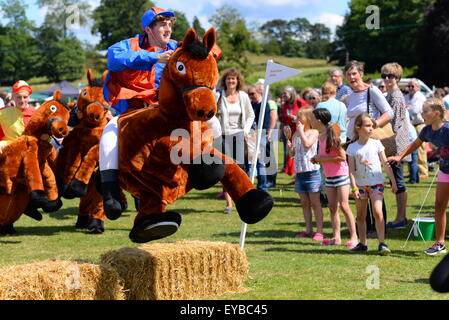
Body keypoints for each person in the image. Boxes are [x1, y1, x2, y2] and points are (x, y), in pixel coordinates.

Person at [388, 98, 449, 256]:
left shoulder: (447, 129)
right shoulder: (427, 130)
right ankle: (440, 243)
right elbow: (415, 144)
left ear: (436, 113)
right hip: (444, 172)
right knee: (439, 207)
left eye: (425, 111)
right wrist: (400, 157)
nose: (422, 114)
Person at [347, 113, 397, 255]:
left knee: (377, 211)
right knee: (361, 215)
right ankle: (362, 243)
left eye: (372, 126)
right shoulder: (352, 148)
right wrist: (354, 187)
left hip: (376, 184)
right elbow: (351, 170)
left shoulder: (376, 144)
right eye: (368, 126)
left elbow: (386, 164)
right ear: (358, 127)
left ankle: (382, 243)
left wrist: (393, 182)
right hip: (361, 186)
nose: (371, 129)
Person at [311, 108, 358, 248]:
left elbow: (342, 157)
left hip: (341, 175)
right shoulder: (321, 136)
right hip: (329, 176)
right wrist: (318, 159)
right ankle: (336, 237)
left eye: (312, 118)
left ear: (318, 121)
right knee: (332, 207)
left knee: (344, 206)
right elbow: (327, 157)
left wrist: (322, 158)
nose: (310, 121)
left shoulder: (332, 136)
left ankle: (354, 236)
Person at [215, 68, 255, 214]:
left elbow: (251, 115)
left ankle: (243, 199)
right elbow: (211, 115)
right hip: (223, 136)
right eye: (228, 79)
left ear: (238, 81)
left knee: (240, 168)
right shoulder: (218, 96)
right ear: (224, 81)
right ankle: (229, 204)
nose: (231, 81)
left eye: (234, 79)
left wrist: (245, 130)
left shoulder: (243, 96)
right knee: (225, 170)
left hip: (238, 135)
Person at [379, 63, 411, 229]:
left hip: (397, 143)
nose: (386, 79)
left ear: (397, 78)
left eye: (390, 76)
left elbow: (395, 123)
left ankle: (401, 218)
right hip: (392, 142)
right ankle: (400, 217)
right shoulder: (390, 94)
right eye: (384, 75)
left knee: (398, 181)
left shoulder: (396, 96)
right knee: (396, 181)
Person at [287, 107, 324, 241]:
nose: (296, 120)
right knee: (304, 203)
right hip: (300, 173)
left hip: (312, 172)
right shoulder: (296, 134)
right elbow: (293, 154)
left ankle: (319, 230)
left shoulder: (313, 132)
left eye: (299, 117)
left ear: (307, 119)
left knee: (315, 203)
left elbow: (307, 144)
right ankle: (308, 229)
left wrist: (301, 132)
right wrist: (290, 148)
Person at [344, 60, 393, 142]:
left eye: (354, 73)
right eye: (348, 74)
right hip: (352, 139)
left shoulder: (371, 90)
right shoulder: (350, 95)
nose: (351, 77)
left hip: (368, 140)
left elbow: (389, 113)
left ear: (361, 74)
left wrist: (375, 124)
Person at [0, 80, 36, 151]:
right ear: (13, 97)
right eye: (18, 97)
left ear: (29, 97)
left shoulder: (36, 113)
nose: (22, 100)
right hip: (9, 151)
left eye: (25, 97)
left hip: (30, 151)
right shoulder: (2, 113)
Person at [247, 84, 270, 192]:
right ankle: (249, 185)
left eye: (253, 94)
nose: (251, 96)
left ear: (259, 93)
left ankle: (262, 187)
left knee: (260, 162)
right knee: (250, 161)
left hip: (260, 135)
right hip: (251, 134)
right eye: (249, 94)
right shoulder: (252, 104)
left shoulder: (264, 104)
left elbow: (265, 122)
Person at [280, 86, 306, 175]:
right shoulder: (285, 105)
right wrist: (281, 133)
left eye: (285, 93)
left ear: (291, 93)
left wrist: (296, 118)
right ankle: (290, 170)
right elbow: (283, 120)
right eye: (282, 93)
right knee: (288, 151)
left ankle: (297, 171)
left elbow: (307, 115)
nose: (283, 95)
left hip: (299, 131)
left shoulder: (299, 102)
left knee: (298, 151)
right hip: (288, 131)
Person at [404, 78, 428, 179]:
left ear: (418, 87)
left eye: (412, 86)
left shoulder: (420, 97)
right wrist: (407, 106)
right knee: (409, 148)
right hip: (409, 125)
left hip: (419, 124)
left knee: (420, 148)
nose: (410, 88)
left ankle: (423, 172)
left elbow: (415, 110)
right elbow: (404, 108)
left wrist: (407, 107)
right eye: (408, 86)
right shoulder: (406, 96)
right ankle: (413, 172)